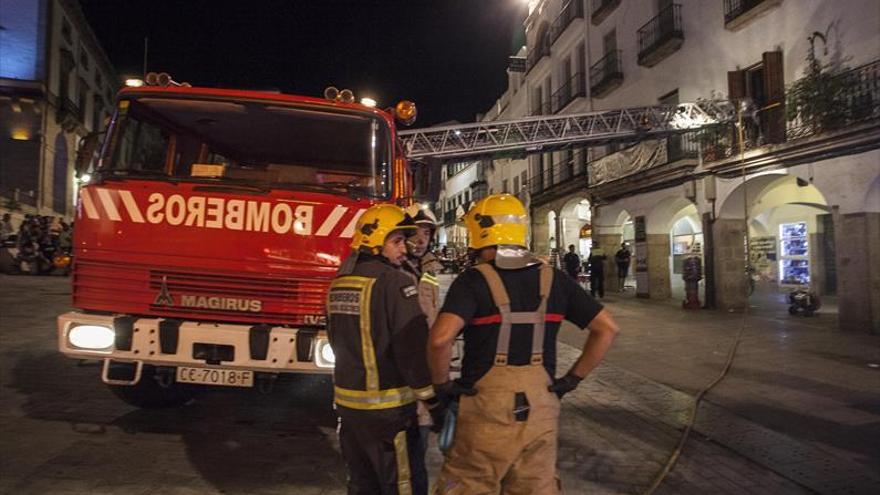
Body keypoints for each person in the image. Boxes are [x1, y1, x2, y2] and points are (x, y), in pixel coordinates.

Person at [426, 194, 619, 494]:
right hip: (541, 409)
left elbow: (440, 340)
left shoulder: (472, 281)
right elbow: (607, 329)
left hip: (485, 411)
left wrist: (441, 388)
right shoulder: (555, 279)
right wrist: (571, 380)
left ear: (481, 232)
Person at [327, 204, 439, 495]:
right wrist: (432, 399)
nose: (404, 248)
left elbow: (334, 338)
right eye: (397, 241)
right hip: (388, 413)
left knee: (362, 484)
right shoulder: (395, 283)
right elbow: (411, 349)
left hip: (349, 408)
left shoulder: (339, 284)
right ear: (376, 242)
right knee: (400, 486)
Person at [401, 204, 444, 452]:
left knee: (419, 448)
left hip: (424, 370)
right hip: (402, 374)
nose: (421, 239)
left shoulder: (428, 270)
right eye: (416, 232)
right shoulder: (394, 270)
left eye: (427, 233)